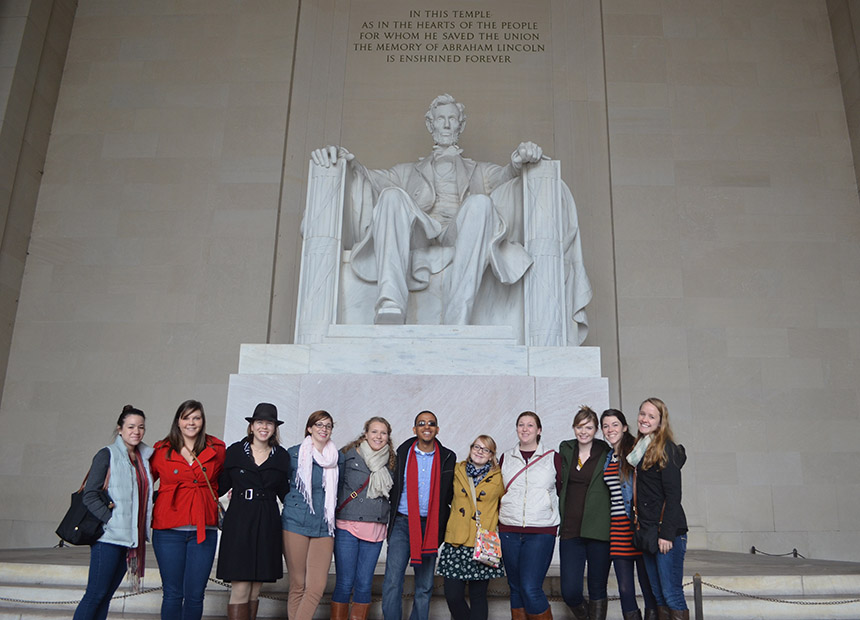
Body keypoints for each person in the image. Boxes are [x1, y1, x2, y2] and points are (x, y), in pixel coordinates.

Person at [310, 94, 590, 340]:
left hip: (460, 232)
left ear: (461, 125)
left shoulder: (479, 171)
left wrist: (520, 160)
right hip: (421, 235)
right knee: (392, 196)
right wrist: (347, 161)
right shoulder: (406, 171)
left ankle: (459, 315)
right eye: (440, 119)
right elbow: (370, 179)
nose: (446, 124)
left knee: (481, 203)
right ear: (430, 125)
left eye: (452, 119)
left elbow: (507, 176)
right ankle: (390, 302)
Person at [73, 405, 154, 620]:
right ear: (120, 429)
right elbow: (89, 494)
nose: (136, 431)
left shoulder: (144, 460)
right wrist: (112, 519)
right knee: (95, 595)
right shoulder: (106, 454)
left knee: (106, 595)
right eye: (130, 426)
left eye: (141, 427)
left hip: (129, 539)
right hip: (108, 538)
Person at [150, 400, 226, 620]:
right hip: (168, 529)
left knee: (195, 595)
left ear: (202, 421)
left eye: (196, 418)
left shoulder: (217, 448)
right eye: (186, 417)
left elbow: (226, 478)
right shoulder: (161, 449)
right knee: (172, 594)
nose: (191, 422)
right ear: (178, 421)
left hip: (203, 529)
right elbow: (143, 483)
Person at [217, 403, 291, 620]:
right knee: (240, 585)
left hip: (267, 520)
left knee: (256, 587)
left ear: (274, 428)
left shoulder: (282, 457)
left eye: (269, 423)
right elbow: (219, 486)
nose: (264, 427)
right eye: (259, 422)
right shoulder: (234, 451)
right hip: (239, 519)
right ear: (251, 426)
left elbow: (286, 493)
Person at [382, 410, 457, 620]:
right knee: (392, 581)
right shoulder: (401, 454)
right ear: (415, 429)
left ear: (437, 429)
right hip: (402, 524)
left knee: (425, 585)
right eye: (422, 423)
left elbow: (450, 493)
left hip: (431, 527)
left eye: (431, 423)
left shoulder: (448, 458)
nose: (427, 426)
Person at [331, 417, 396, 620]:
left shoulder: (392, 461)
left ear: (388, 437)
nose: (378, 436)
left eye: (383, 433)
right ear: (365, 433)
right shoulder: (347, 456)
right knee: (344, 581)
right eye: (374, 432)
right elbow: (335, 486)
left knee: (364, 582)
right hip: (347, 525)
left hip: (375, 526)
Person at [498, 411, 562, 620]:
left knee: (530, 587)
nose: (525, 429)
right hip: (509, 529)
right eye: (521, 425)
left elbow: (563, 491)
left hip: (541, 531)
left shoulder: (553, 458)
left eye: (530, 425)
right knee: (515, 587)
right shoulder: (506, 457)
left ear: (539, 430)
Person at [629, 398, 688, 620]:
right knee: (658, 595)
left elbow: (674, 496)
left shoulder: (667, 450)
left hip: (667, 534)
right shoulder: (639, 449)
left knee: (671, 594)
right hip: (648, 531)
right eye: (642, 413)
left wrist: (666, 535)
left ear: (661, 422)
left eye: (651, 416)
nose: (645, 419)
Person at [281, 410, 343, 620]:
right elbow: (281, 484)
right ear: (309, 428)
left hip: (324, 526)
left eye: (328, 426)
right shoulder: (293, 454)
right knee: (298, 584)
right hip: (295, 523)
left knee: (316, 586)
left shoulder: (337, 458)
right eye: (319, 425)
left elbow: (340, 488)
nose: (323, 429)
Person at [437, 434, 505, 620]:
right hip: (456, 541)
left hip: (482, 542)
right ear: (470, 448)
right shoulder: (457, 470)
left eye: (486, 449)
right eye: (477, 447)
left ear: (492, 455)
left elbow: (506, 505)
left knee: (478, 596)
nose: (480, 452)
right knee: (452, 595)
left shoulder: (499, 476)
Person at [601, 409, 658, 620]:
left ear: (624, 427)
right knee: (625, 589)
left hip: (638, 526)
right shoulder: (608, 457)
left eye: (615, 424)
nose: (610, 430)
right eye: (606, 426)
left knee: (648, 586)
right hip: (617, 528)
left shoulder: (637, 451)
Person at [558, 406, 611, 620]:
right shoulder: (566, 450)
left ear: (596, 429)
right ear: (573, 428)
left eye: (589, 427)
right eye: (580, 427)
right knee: (570, 592)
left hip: (598, 530)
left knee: (598, 589)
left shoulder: (606, 451)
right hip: (571, 531)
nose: (584, 431)